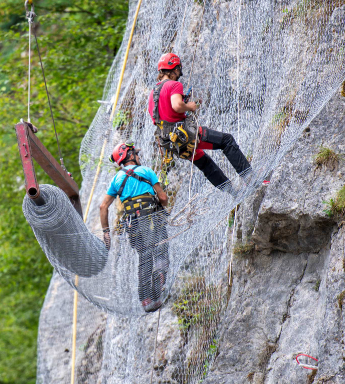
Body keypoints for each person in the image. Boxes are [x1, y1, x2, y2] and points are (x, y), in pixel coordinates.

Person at [148, 52, 252, 190]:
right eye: (178, 69)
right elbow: (177, 105)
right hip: (185, 134)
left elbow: (158, 116)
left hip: (171, 142)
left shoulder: (153, 93)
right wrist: (189, 106)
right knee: (226, 141)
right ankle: (250, 178)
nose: (179, 73)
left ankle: (233, 192)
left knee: (203, 162)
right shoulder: (174, 85)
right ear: (175, 68)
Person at [100, 142, 169, 313]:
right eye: (135, 153)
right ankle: (159, 281)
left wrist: (106, 232)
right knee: (161, 249)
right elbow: (163, 197)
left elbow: (103, 207)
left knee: (144, 256)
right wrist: (163, 204)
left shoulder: (116, 180)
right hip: (152, 218)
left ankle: (145, 299)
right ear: (129, 155)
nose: (138, 156)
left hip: (132, 223)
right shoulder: (145, 171)